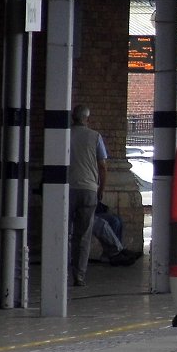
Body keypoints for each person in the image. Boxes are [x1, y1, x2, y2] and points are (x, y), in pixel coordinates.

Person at [68, 103, 107, 287]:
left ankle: (61, 271)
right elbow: (103, 166)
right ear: (86, 118)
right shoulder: (95, 137)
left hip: (66, 190)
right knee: (83, 236)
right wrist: (101, 189)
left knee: (65, 233)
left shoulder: (64, 134)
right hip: (89, 190)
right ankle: (79, 276)